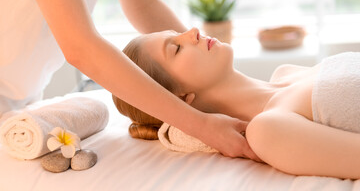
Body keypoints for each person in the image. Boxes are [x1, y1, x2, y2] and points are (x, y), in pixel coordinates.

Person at [0, 0, 259, 159]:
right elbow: (80, 48)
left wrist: (234, 82)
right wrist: (202, 127)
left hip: (24, 93)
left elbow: (143, 4)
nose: (192, 32)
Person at [112, 27, 360, 179]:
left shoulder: (286, 72)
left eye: (177, 34)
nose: (193, 31)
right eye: (176, 48)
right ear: (179, 98)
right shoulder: (268, 131)